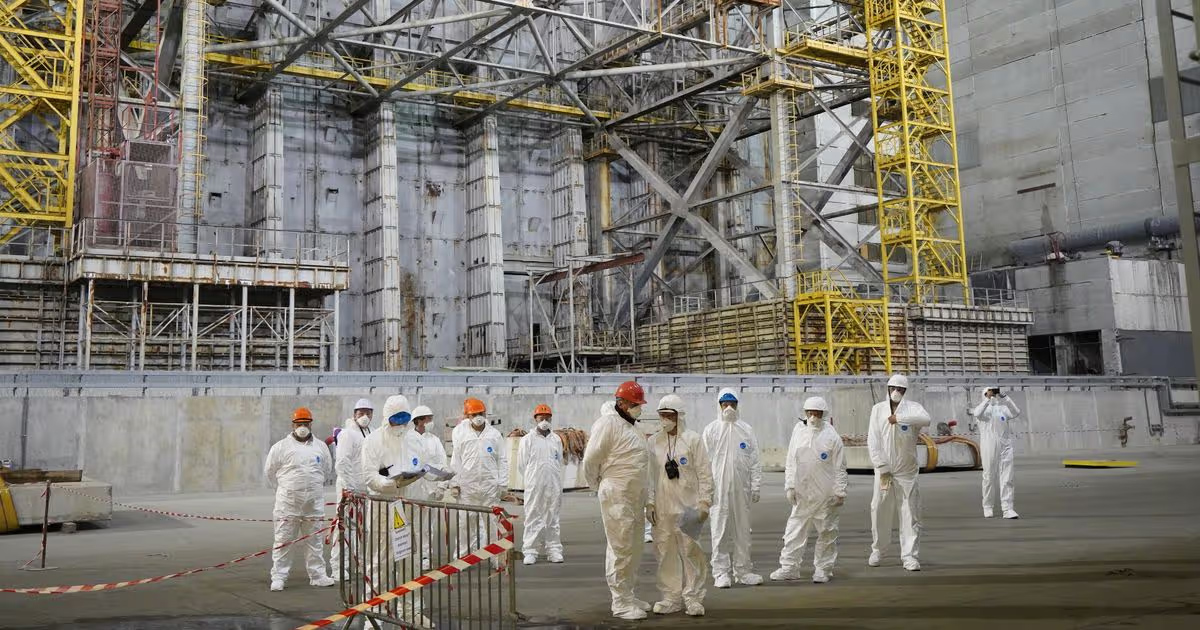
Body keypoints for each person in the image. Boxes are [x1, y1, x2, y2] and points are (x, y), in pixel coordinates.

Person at [581, 381, 655, 621]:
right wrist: (597, 485)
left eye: (639, 404)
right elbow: (590, 459)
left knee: (634, 547)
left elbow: (643, 465)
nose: (638, 408)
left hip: (635, 496)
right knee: (620, 547)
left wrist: (649, 499)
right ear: (621, 403)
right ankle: (620, 602)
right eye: (634, 404)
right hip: (617, 494)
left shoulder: (633, 427)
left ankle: (628, 595)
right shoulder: (608, 424)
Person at [359, 395, 428, 624]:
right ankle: (375, 615)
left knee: (411, 563)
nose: (401, 422)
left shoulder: (415, 440)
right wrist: (391, 484)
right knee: (380, 562)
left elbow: (422, 466)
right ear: (387, 417)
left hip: (409, 509)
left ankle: (411, 611)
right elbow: (369, 476)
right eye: (396, 418)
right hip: (384, 509)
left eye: (405, 417)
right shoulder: (374, 441)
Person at [771, 396, 847, 584]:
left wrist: (839, 492)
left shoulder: (832, 437)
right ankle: (789, 568)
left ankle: (823, 569)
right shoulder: (798, 432)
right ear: (805, 413)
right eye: (809, 413)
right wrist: (790, 485)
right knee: (794, 532)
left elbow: (840, 467)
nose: (813, 417)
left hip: (825, 495)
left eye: (817, 413)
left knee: (827, 532)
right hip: (802, 493)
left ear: (824, 414)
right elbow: (791, 460)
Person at [649, 394, 712, 617]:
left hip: (689, 508)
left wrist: (705, 501)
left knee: (691, 553)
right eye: (662, 415)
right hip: (663, 509)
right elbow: (649, 476)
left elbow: (704, 472)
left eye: (669, 415)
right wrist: (649, 503)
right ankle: (671, 598)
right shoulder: (653, 442)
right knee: (665, 553)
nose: (665, 420)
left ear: (680, 416)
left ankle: (693, 598)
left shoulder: (693, 440)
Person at [264, 407, 335, 591]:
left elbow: (326, 470)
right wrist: (286, 489)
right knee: (283, 540)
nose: (302, 427)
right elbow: (270, 473)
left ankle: (317, 575)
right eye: (299, 424)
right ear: (293, 425)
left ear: (311, 424)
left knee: (315, 541)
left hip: (313, 504)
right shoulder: (280, 447)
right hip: (287, 505)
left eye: (305, 423)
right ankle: (279, 577)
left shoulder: (320, 447)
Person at [868, 374, 932, 572]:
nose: (896, 392)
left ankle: (910, 556)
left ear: (905, 391)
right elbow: (873, 440)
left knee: (910, 512)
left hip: (907, 470)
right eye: (893, 388)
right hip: (884, 470)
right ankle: (878, 550)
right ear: (887, 389)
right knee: (879, 509)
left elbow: (926, 420)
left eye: (900, 389)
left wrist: (899, 418)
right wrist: (881, 465)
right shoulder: (878, 409)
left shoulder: (913, 408)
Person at [702, 387, 763, 589]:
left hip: (741, 490)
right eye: (725, 404)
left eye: (732, 404)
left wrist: (755, 485)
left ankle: (743, 571)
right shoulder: (711, 430)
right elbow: (703, 463)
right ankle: (721, 573)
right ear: (719, 406)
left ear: (737, 405)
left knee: (742, 532)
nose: (728, 408)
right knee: (719, 531)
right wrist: (704, 490)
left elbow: (755, 460)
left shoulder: (746, 430)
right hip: (718, 491)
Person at [449, 398, 508, 558]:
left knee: (492, 524)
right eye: (474, 414)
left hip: (490, 487)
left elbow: (502, 459)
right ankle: (463, 558)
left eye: (480, 413)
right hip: (468, 488)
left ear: (485, 413)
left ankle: (496, 558)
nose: (478, 417)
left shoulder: (494, 435)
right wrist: (454, 483)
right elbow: (456, 459)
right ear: (467, 416)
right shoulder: (461, 434)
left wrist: (503, 484)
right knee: (465, 525)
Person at [330, 398, 374, 581]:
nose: (364, 416)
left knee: (363, 529)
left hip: (365, 489)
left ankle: (360, 562)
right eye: (361, 413)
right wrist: (349, 488)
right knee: (345, 528)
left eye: (368, 413)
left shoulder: (370, 433)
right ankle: (339, 567)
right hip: (349, 489)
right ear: (354, 414)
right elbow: (342, 462)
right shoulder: (347, 434)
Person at [518, 403, 565, 565]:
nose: (544, 421)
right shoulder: (527, 440)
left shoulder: (556, 439)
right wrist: (532, 479)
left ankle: (554, 550)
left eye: (547, 418)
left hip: (553, 484)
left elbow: (559, 461)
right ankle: (530, 551)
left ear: (551, 419)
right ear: (535, 419)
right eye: (541, 418)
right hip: (535, 485)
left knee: (553, 517)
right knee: (533, 516)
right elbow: (522, 465)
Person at [407, 404, 449, 569]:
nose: (431, 422)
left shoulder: (434, 440)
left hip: (430, 490)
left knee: (426, 527)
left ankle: (425, 555)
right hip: (411, 489)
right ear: (419, 421)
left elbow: (442, 463)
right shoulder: (407, 439)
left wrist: (442, 485)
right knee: (409, 525)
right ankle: (409, 556)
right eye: (428, 419)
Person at [972, 387, 1022, 519]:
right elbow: (977, 413)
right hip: (989, 445)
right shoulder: (983, 411)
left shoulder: (1003, 409)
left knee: (1007, 478)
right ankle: (988, 506)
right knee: (989, 476)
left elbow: (1016, 412)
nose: (993, 395)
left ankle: (1008, 509)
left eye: (994, 392)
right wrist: (987, 399)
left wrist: (1005, 397)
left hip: (1005, 445)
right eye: (989, 393)